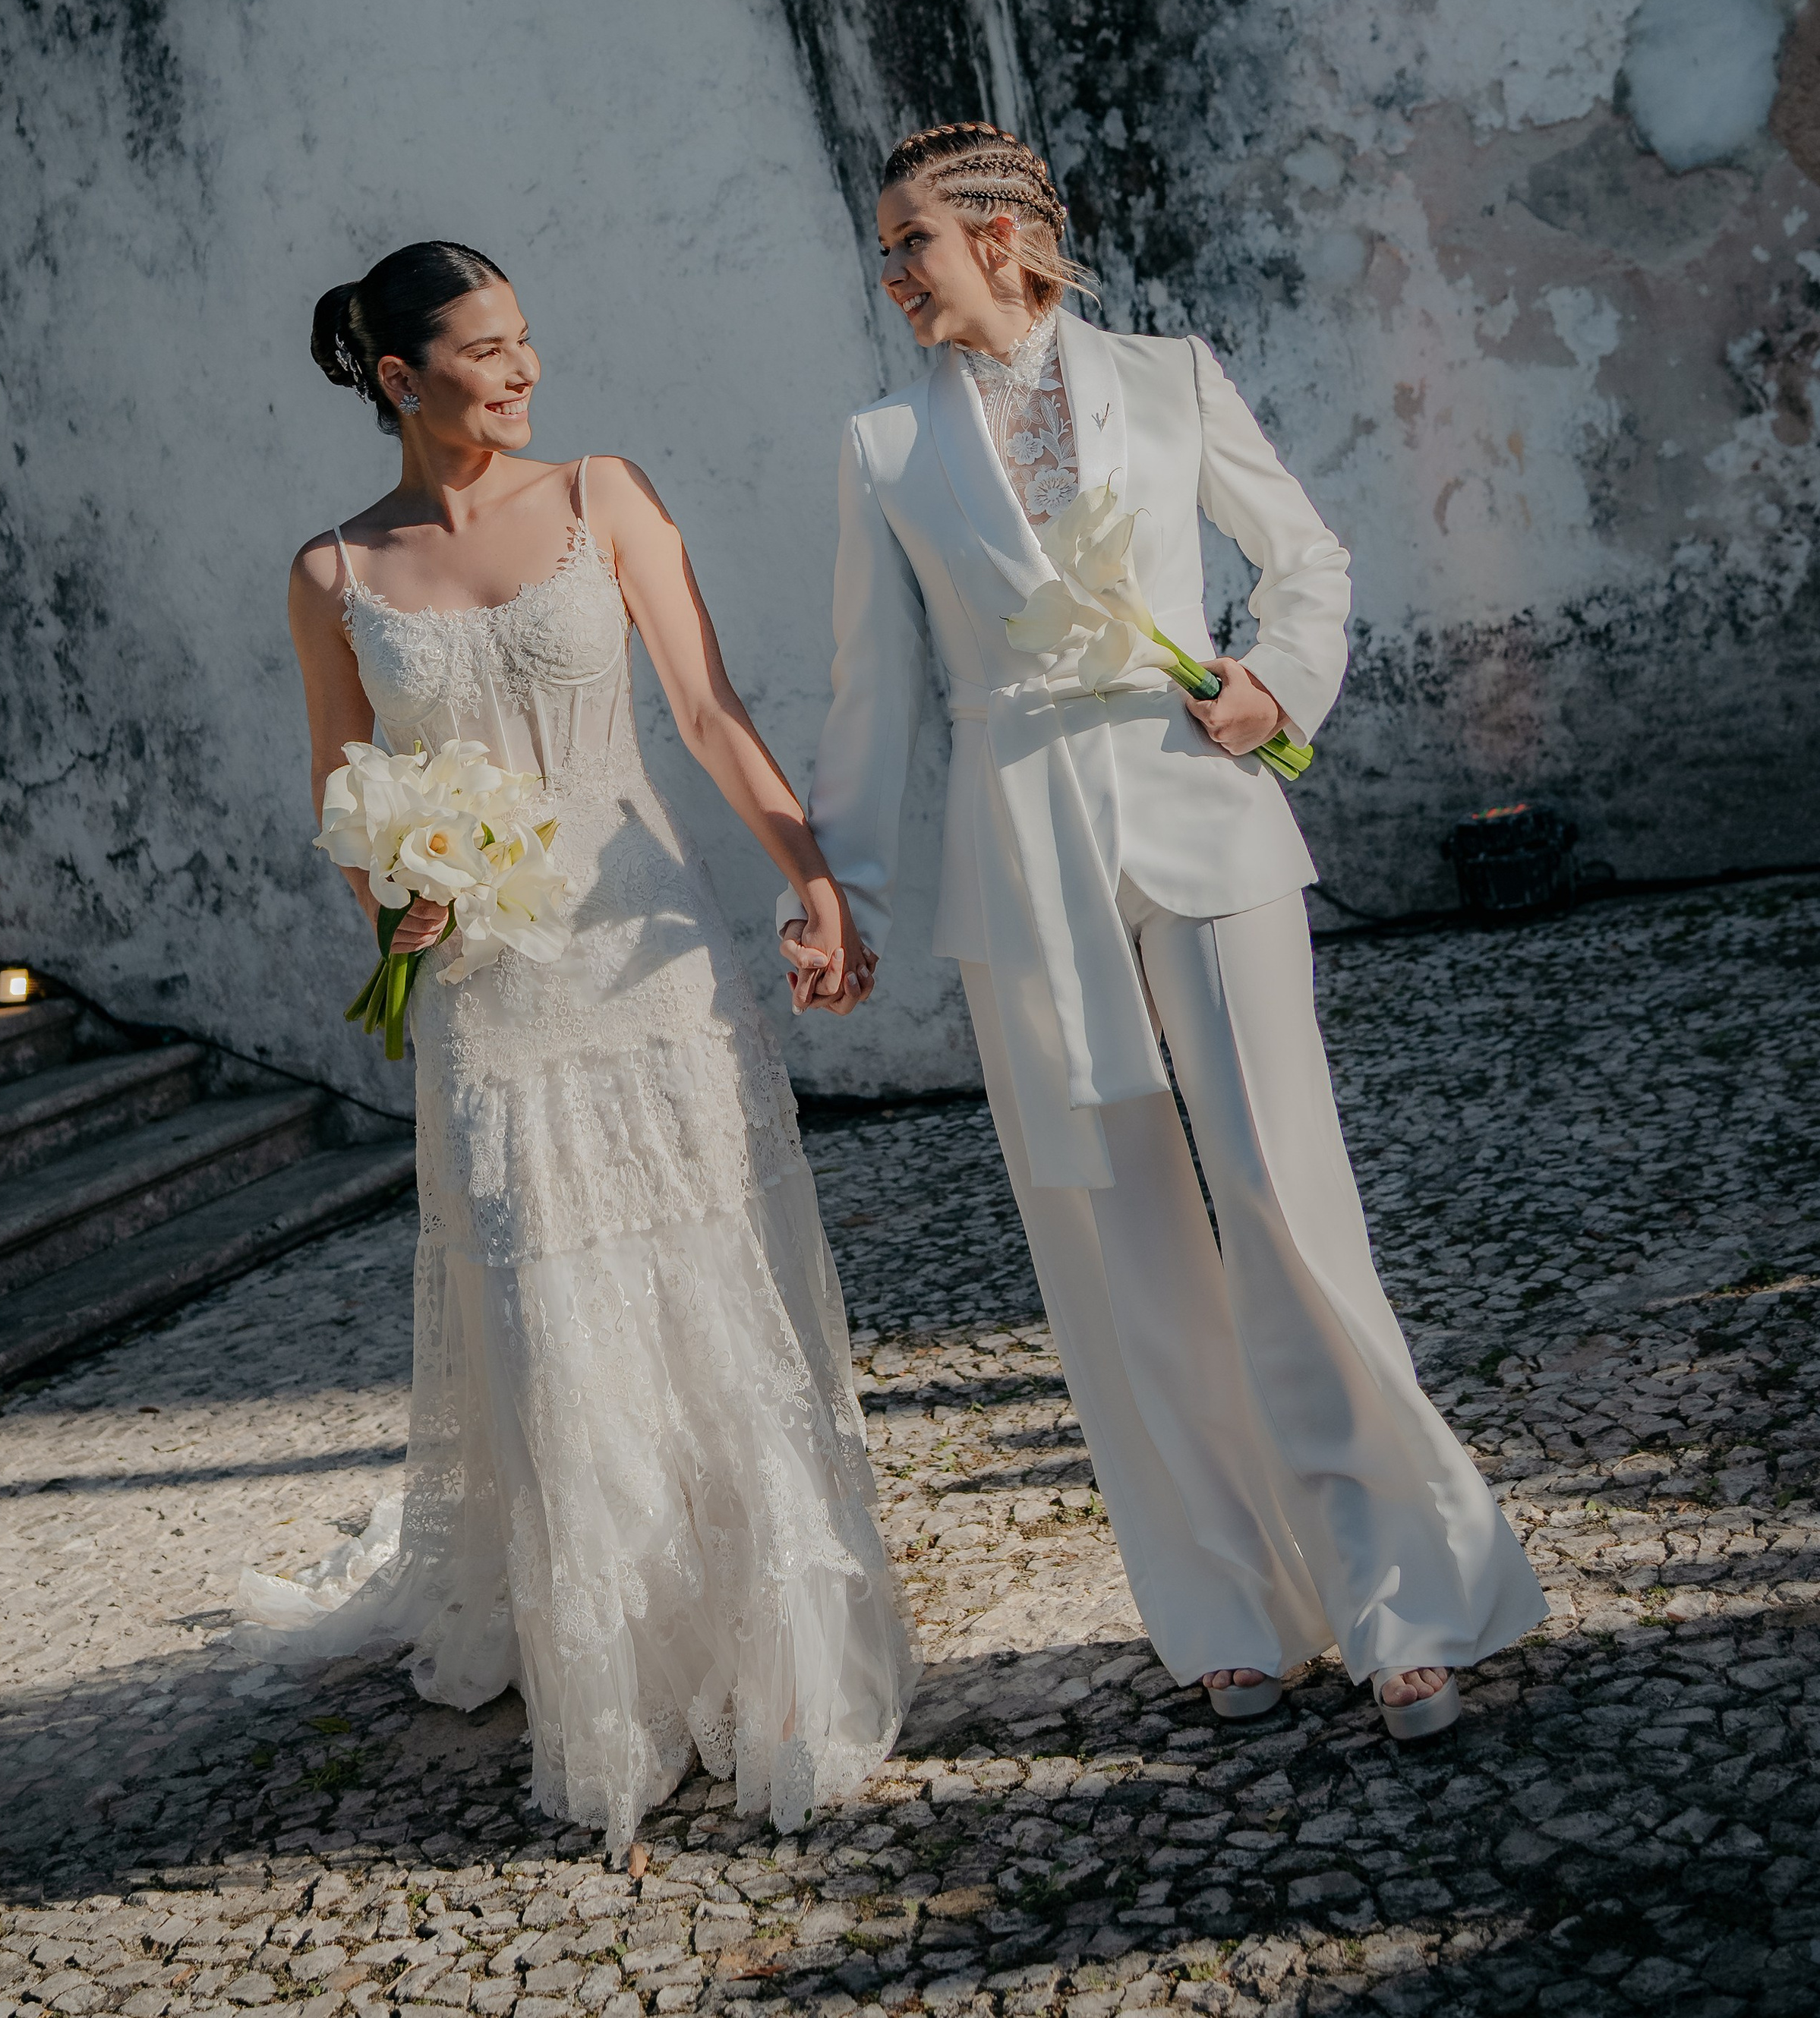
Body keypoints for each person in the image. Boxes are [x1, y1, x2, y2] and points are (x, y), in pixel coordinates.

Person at [780, 123, 1544, 1739]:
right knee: (1114, 1244)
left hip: (1204, 820)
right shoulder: (880, 450)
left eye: (909, 241)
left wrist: (1276, 686)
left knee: (1280, 1198)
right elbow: (870, 693)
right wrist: (834, 889)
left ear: (1002, 237)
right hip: (1018, 864)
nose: (891, 275)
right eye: (882, 251)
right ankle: (1221, 1608)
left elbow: (1307, 557)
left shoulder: (1169, 375)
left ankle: (1398, 1592)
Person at [241, 240, 913, 1851]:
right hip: (487, 995)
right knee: (550, 1319)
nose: (522, 369)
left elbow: (708, 711)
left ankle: (771, 1666)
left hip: (648, 959)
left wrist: (809, 878)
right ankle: (614, 1682)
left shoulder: (605, 497)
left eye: (527, 338)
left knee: (705, 1284)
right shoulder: (331, 574)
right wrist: (390, 906)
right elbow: (345, 792)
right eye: (484, 349)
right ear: (401, 380)